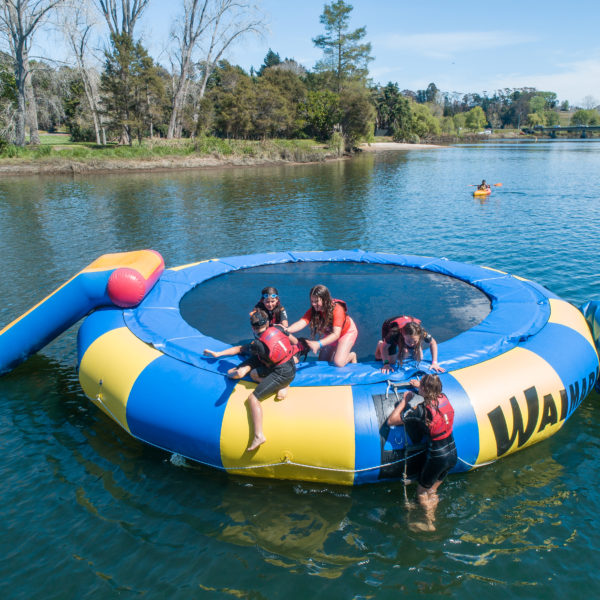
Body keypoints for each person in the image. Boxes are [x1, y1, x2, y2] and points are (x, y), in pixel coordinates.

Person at [203, 309, 298, 451]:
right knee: (248, 372)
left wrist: (219, 355)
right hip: (288, 363)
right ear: (268, 323)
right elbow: (294, 342)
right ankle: (279, 382)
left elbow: (241, 349)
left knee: (253, 399)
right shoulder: (278, 328)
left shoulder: (258, 345)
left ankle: (259, 435)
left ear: (253, 328)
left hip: (283, 372)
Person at [386, 374, 457, 531]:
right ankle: (432, 516)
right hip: (452, 453)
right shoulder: (444, 397)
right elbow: (431, 393)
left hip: (438, 457)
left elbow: (392, 420)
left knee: (422, 492)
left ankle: (429, 522)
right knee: (432, 489)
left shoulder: (421, 411)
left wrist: (405, 401)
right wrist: (420, 386)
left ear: (424, 389)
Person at [286, 284, 358, 367]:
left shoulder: (337, 309)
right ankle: (338, 354)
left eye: (316, 301)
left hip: (346, 332)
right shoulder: (314, 310)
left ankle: (352, 355)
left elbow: (336, 334)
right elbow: (302, 322)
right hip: (331, 334)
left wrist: (318, 344)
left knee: (339, 363)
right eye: (312, 301)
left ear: (325, 300)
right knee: (322, 363)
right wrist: (287, 330)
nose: (313, 304)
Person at [375, 316, 443, 374]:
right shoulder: (393, 333)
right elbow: (384, 348)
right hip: (389, 326)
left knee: (420, 358)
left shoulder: (421, 332)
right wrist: (386, 364)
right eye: (409, 341)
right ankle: (381, 344)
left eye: (415, 341)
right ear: (403, 335)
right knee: (391, 362)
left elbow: (433, 343)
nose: (412, 344)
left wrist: (434, 362)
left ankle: (413, 343)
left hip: (409, 329)